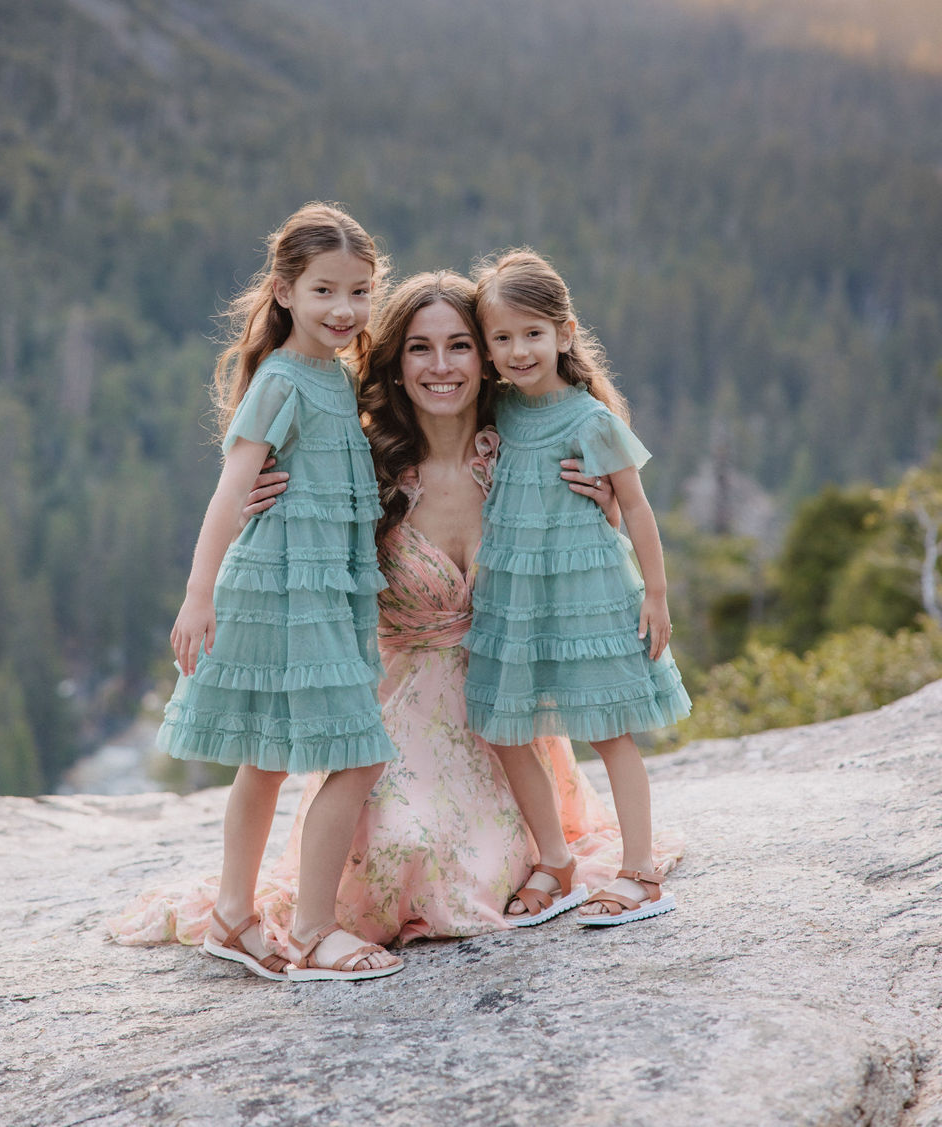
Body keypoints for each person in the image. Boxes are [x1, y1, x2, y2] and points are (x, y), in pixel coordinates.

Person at [110, 272, 681, 953]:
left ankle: (562, 856)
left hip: (505, 710)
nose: (441, 366)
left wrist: (609, 504)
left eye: (461, 345)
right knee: (400, 850)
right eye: (419, 348)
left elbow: (593, 541)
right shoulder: (366, 463)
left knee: (479, 863)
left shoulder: (528, 450)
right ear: (395, 363)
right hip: (399, 707)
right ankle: (263, 917)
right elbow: (291, 527)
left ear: (488, 358)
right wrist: (257, 508)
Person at [155, 201, 402, 981]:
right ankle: (314, 929)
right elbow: (231, 490)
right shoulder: (283, 381)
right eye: (325, 289)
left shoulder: (336, 376)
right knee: (355, 756)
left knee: (266, 757)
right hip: (274, 587)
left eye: (360, 291)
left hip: (320, 590)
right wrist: (200, 596)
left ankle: (232, 918)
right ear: (285, 289)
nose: (345, 309)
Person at [466, 248, 691, 927]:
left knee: (609, 730)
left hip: (587, 585)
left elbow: (638, 507)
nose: (517, 349)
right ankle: (557, 861)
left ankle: (641, 872)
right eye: (501, 337)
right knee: (507, 728)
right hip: (516, 592)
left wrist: (655, 593)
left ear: (564, 333)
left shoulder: (589, 418)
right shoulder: (497, 408)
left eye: (531, 333)